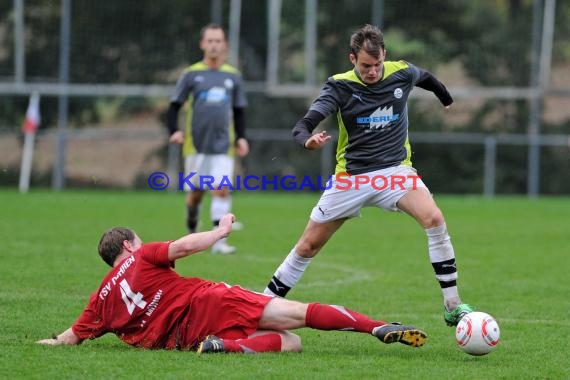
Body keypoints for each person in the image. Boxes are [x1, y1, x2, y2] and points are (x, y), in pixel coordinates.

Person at [262, 24, 475, 326]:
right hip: (352, 177)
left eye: (377, 64)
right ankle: (261, 304)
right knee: (307, 246)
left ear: (384, 56)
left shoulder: (400, 72)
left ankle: (452, 304)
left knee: (434, 219)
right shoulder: (339, 86)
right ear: (352, 59)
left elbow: (426, 77)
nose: (373, 71)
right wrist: (307, 141)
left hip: (395, 171)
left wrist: (446, 97)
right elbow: (302, 126)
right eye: (365, 65)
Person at [37, 213, 427, 354]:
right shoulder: (142, 255)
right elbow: (185, 246)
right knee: (299, 316)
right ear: (128, 245)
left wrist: (44, 344)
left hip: (183, 338)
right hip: (210, 303)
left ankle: (229, 346)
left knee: (292, 344)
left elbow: (68, 339)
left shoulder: (99, 302)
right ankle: (375, 326)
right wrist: (220, 230)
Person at [167, 23, 248, 254]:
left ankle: (219, 242)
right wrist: (174, 130)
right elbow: (174, 105)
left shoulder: (233, 76)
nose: (214, 45)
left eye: (218, 41)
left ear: (225, 45)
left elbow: (240, 110)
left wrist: (241, 137)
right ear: (202, 44)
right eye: (210, 41)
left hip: (224, 145)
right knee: (196, 194)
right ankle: (192, 222)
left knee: (221, 188)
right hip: (196, 145)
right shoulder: (192, 73)